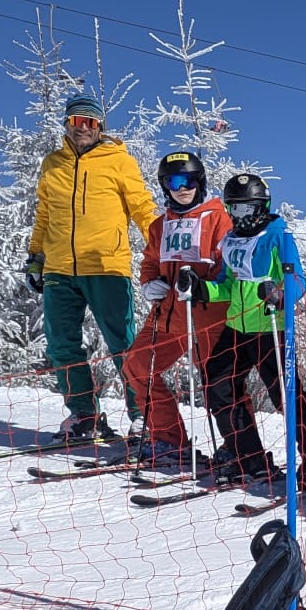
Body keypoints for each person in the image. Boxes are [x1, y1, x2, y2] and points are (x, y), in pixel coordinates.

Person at [24, 93, 157, 441]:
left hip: (106, 266)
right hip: (59, 267)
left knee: (123, 342)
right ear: (67, 125)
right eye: (75, 121)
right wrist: (36, 255)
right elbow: (44, 213)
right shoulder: (53, 163)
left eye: (90, 122)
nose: (82, 127)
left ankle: (142, 415)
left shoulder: (118, 161)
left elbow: (142, 206)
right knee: (61, 344)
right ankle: (85, 414)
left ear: (100, 127)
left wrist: (162, 243)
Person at [203, 174, 306, 490]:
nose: (242, 216)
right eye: (235, 209)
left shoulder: (278, 236)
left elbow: (299, 281)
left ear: (263, 207)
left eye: (249, 209)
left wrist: (278, 293)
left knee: (286, 397)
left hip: (270, 327)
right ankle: (249, 460)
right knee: (218, 386)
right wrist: (201, 288)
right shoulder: (231, 239)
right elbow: (227, 285)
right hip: (236, 327)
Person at [120, 150, 230, 472]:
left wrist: (203, 284)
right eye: (173, 181)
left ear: (201, 181)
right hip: (167, 316)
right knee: (137, 365)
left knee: (220, 381)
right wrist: (149, 281)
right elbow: (151, 261)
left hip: (209, 315)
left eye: (189, 181)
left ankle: (239, 446)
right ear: (164, 186)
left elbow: (230, 266)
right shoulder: (159, 226)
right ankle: (170, 441)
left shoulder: (220, 219)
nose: (182, 188)